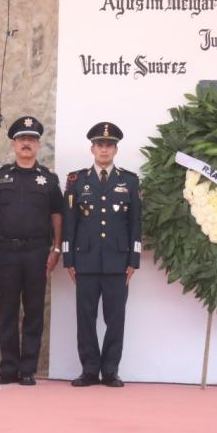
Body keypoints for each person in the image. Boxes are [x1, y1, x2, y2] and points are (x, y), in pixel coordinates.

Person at [0, 116, 63, 386]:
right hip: (5, 252)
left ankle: (27, 369)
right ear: (14, 144)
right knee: (7, 311)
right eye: (21, 139)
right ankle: (8, 368)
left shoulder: (48, 180)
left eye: (31, 139)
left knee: (34, 311)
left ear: (38, 145)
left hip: (37, 253)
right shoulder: (0, 176)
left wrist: (56, 248)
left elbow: (57, 215)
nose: (26, 143)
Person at [62, 122, 141, 388]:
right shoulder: (77, 180)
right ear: (92, 148)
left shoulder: (129, 181)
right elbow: (69, 224)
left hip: (118, 263)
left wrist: (134, 260)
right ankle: (88, 370)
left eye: (109, 145)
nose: (104, 149)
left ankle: (110, 371)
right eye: (100, 145)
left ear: (116, 149)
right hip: (85, 260)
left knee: (115, 319)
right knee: (85, 319)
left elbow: (136, 224)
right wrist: (68, 259)